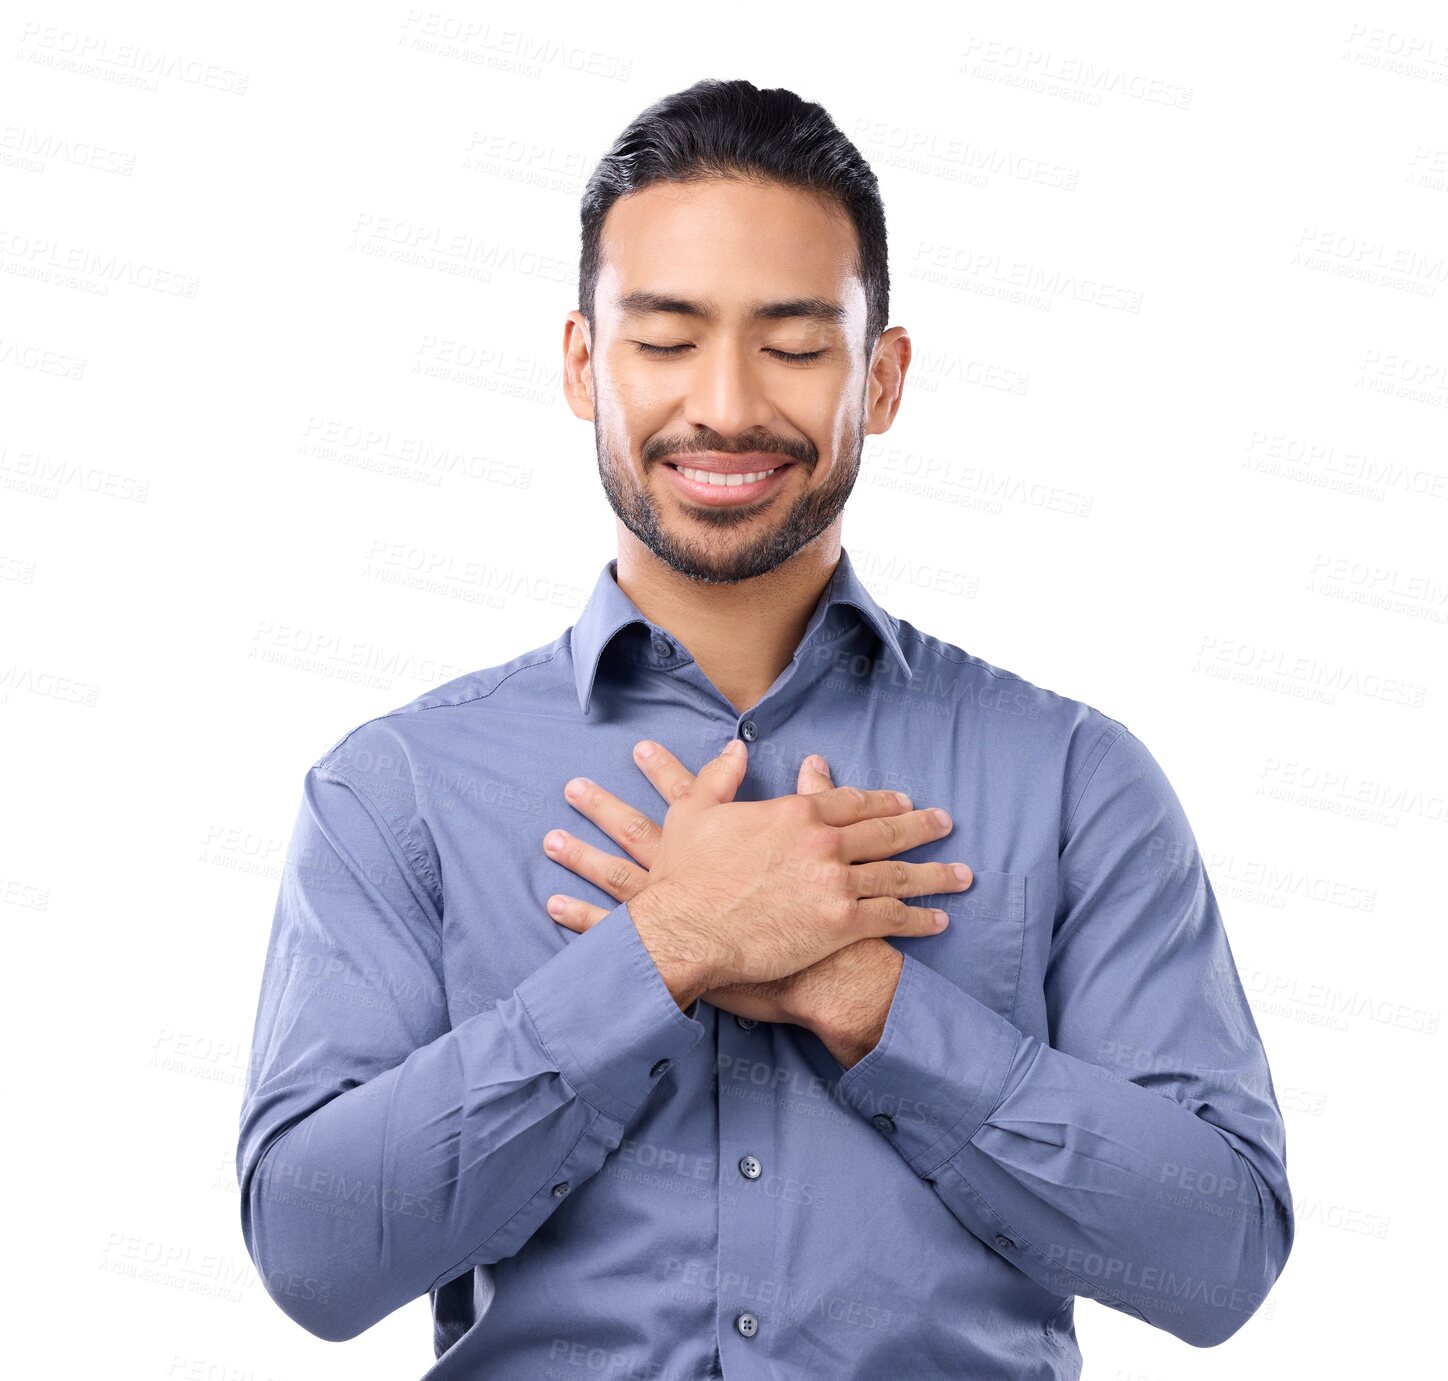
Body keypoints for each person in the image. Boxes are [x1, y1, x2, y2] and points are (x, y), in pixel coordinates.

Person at [237, 78, 1293, 1378]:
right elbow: (316, 1257)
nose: (726, 405)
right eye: (666, 339)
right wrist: (667, 947)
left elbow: (1218, 1259)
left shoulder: (1075, 780)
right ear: (583, 364)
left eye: (794, 344)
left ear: (884, 375)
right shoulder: (395, 789)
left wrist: (875, 1003)